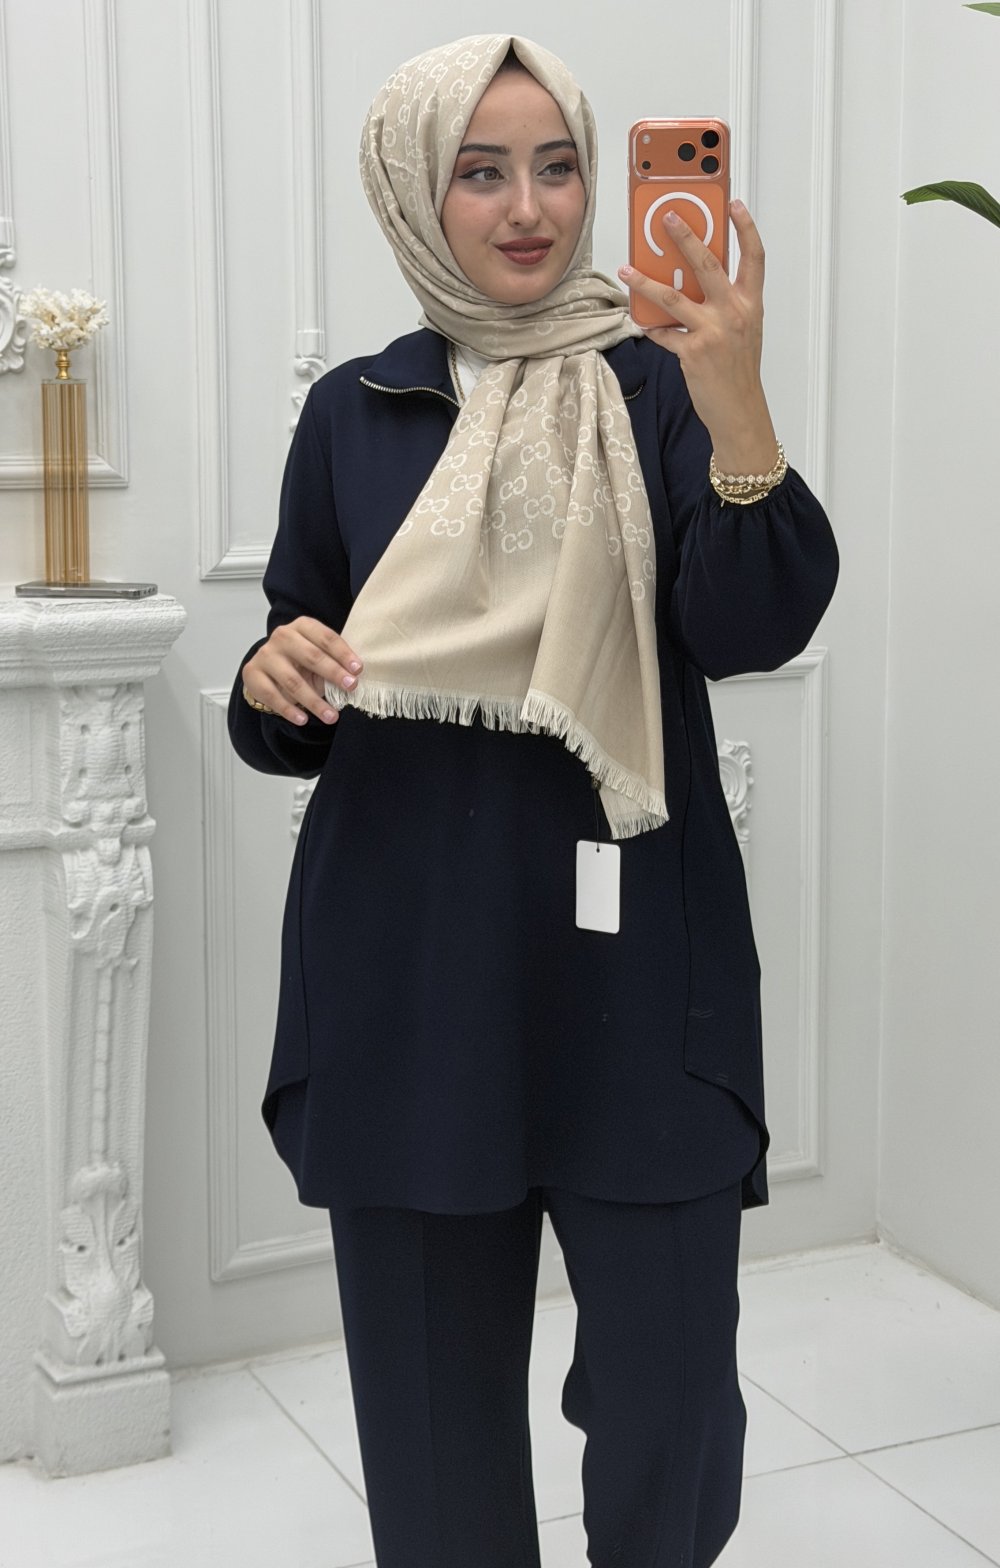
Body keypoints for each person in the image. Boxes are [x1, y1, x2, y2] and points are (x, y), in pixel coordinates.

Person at [228, 32, 839, 1568]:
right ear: (413, 190)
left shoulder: (662, 384)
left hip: (637, 972)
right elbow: (297, 670)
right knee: (436, 1451)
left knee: (670, 1410)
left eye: (557, 166)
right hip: (413, 972)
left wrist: (738, 403)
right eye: (481, 171)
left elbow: (749, 622)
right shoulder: (356, 410)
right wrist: (269, 670)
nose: (527, 207)